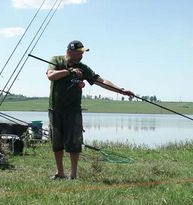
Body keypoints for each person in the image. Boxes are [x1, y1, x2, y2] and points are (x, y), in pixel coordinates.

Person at [46, 40, 134, 180]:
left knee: (75, 143)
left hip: (73, 111)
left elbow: (101, 81)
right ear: (70, 51)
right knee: (57, 143)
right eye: (79, 53)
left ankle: (73, 175)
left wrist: (121, 90)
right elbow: (51, 75)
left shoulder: (83, 68)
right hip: (55, 109)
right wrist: (68, 71)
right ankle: (60, 172)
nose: (81, 55)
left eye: (83, 53)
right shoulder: (56, 60)